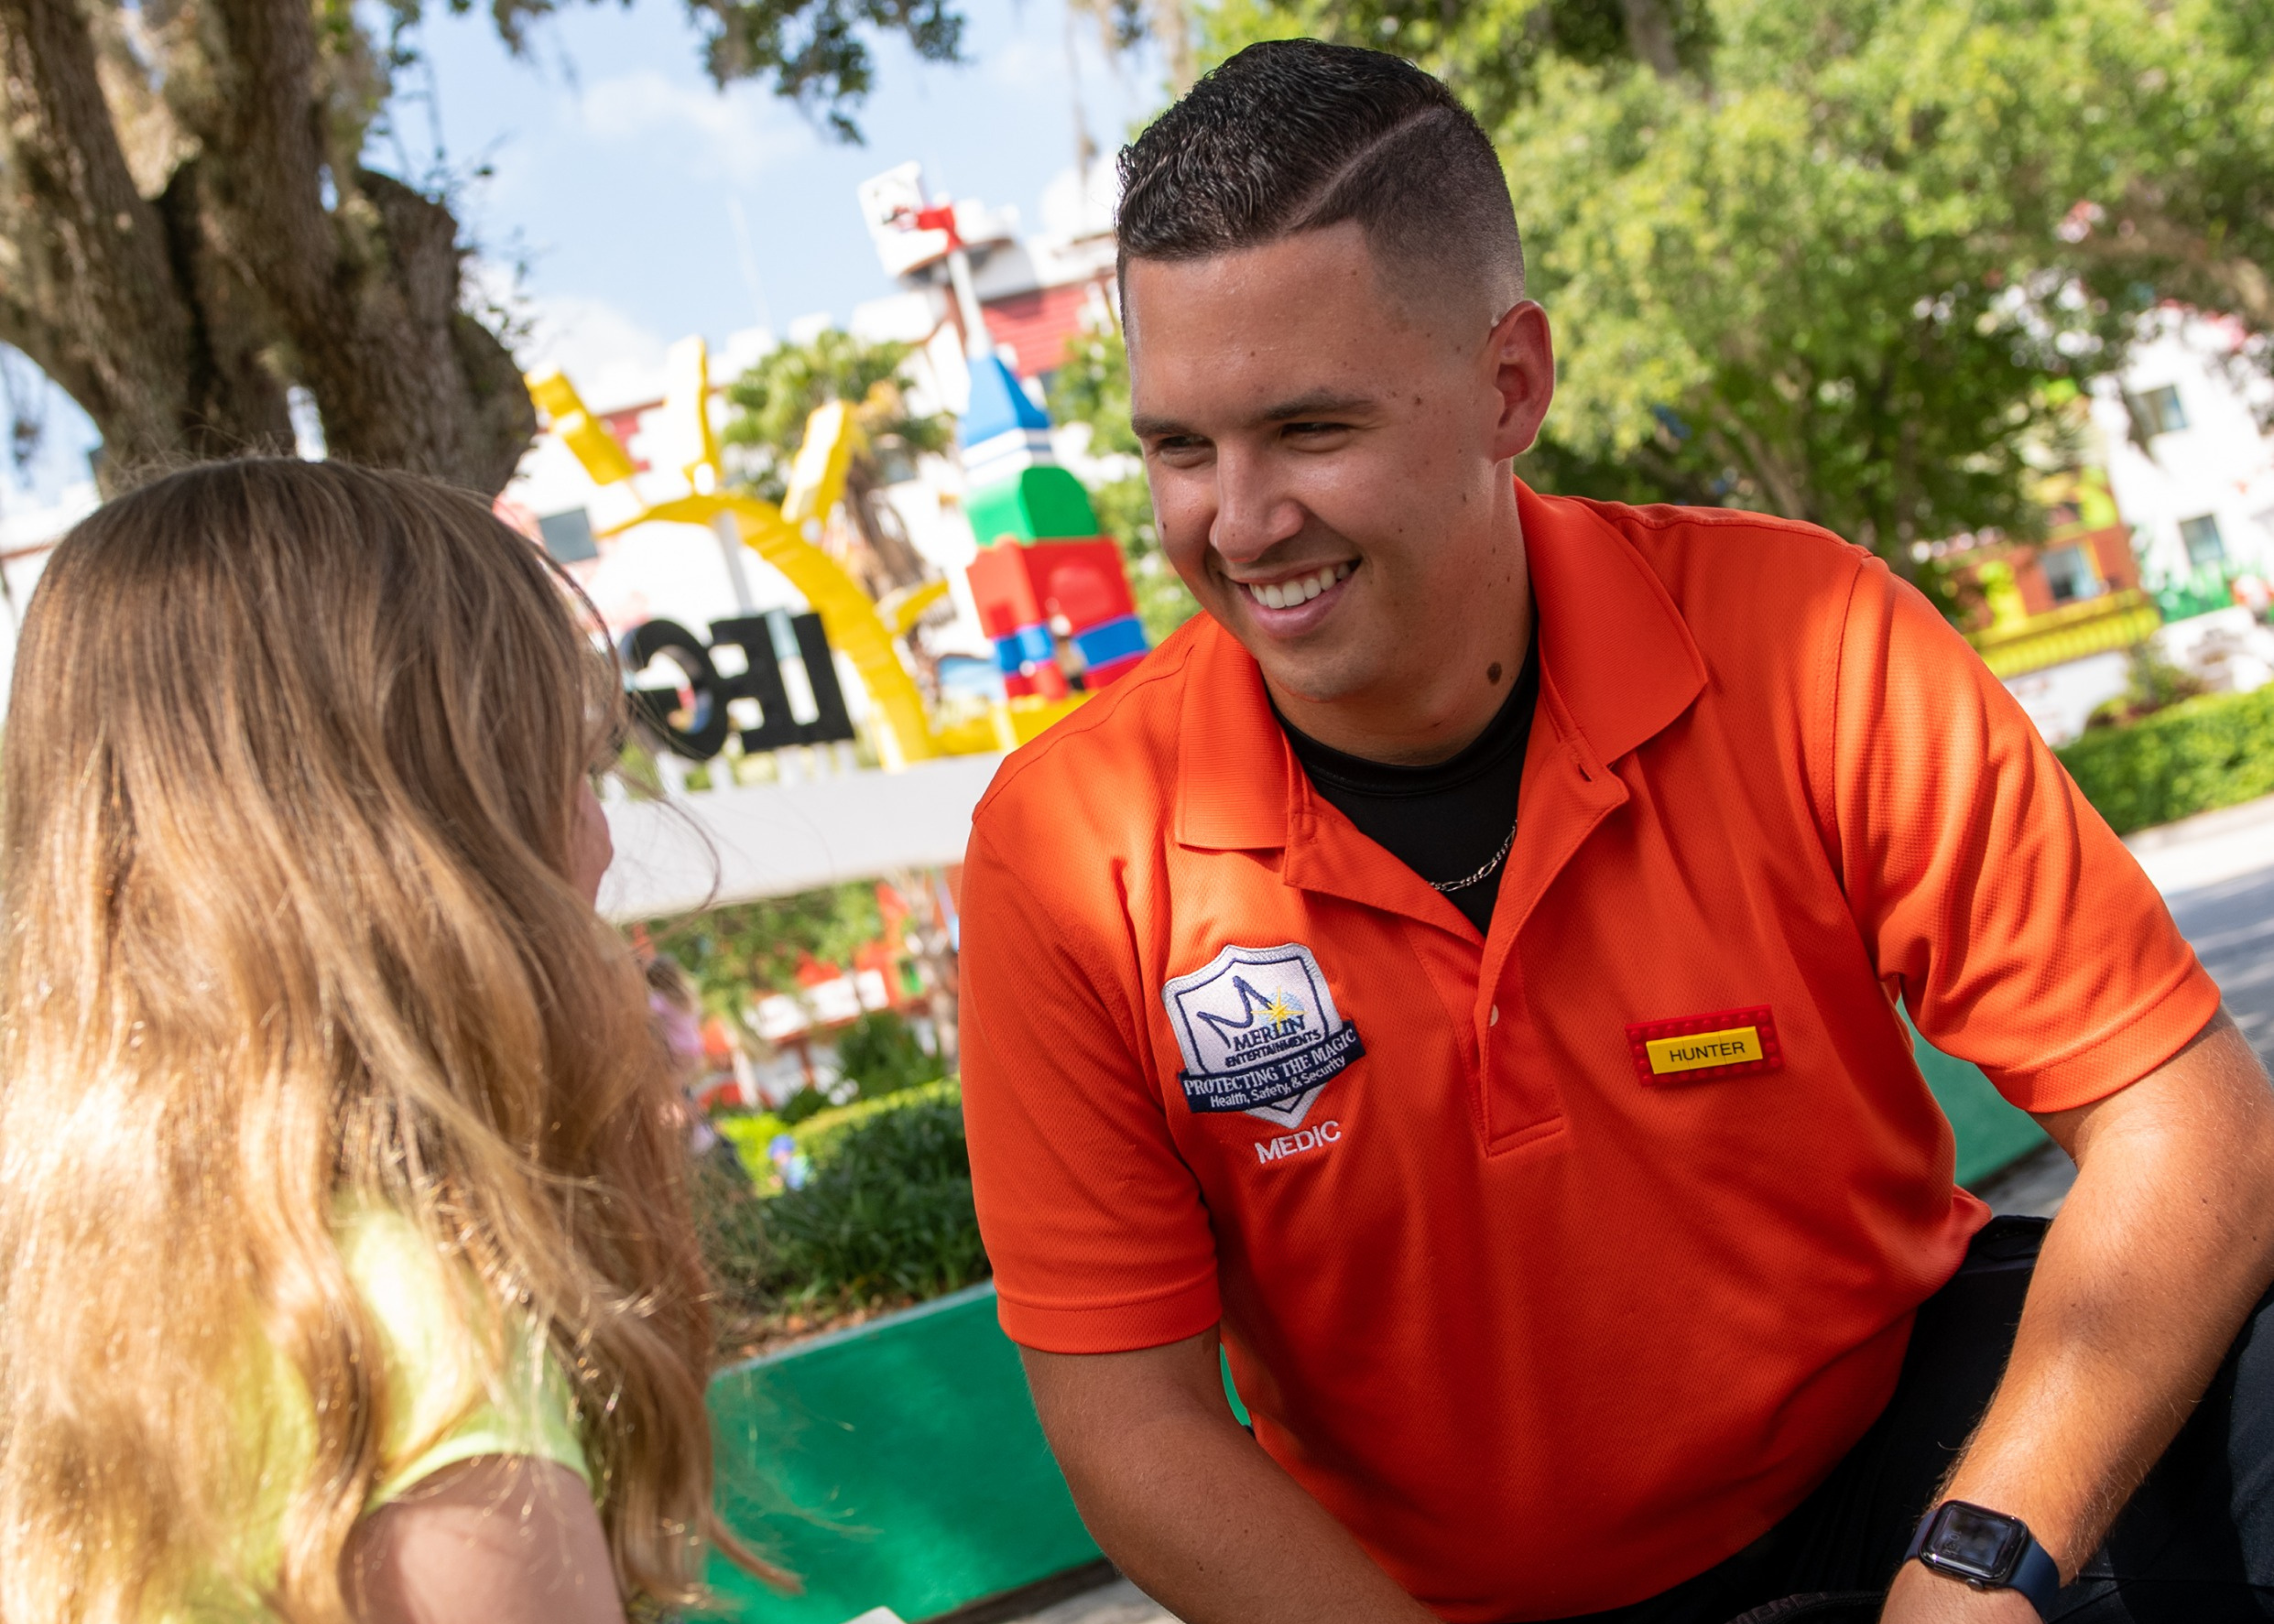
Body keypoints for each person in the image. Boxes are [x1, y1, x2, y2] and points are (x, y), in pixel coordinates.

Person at [957, 39, 2274, 1624]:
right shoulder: (1065, 845)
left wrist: (1979, 1566)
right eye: (1178, 447)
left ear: (1514, 382)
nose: (1235, 524)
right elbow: (1134, 1426)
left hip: (1898, 1470)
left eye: (1309, 431)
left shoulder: (1808, 638)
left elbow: (2184, 1119)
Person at [0, 460, 783, 1622]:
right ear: (423, 845)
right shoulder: (403, 1325)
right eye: (569, 769)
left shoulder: (75, 1279)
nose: (602, 838)